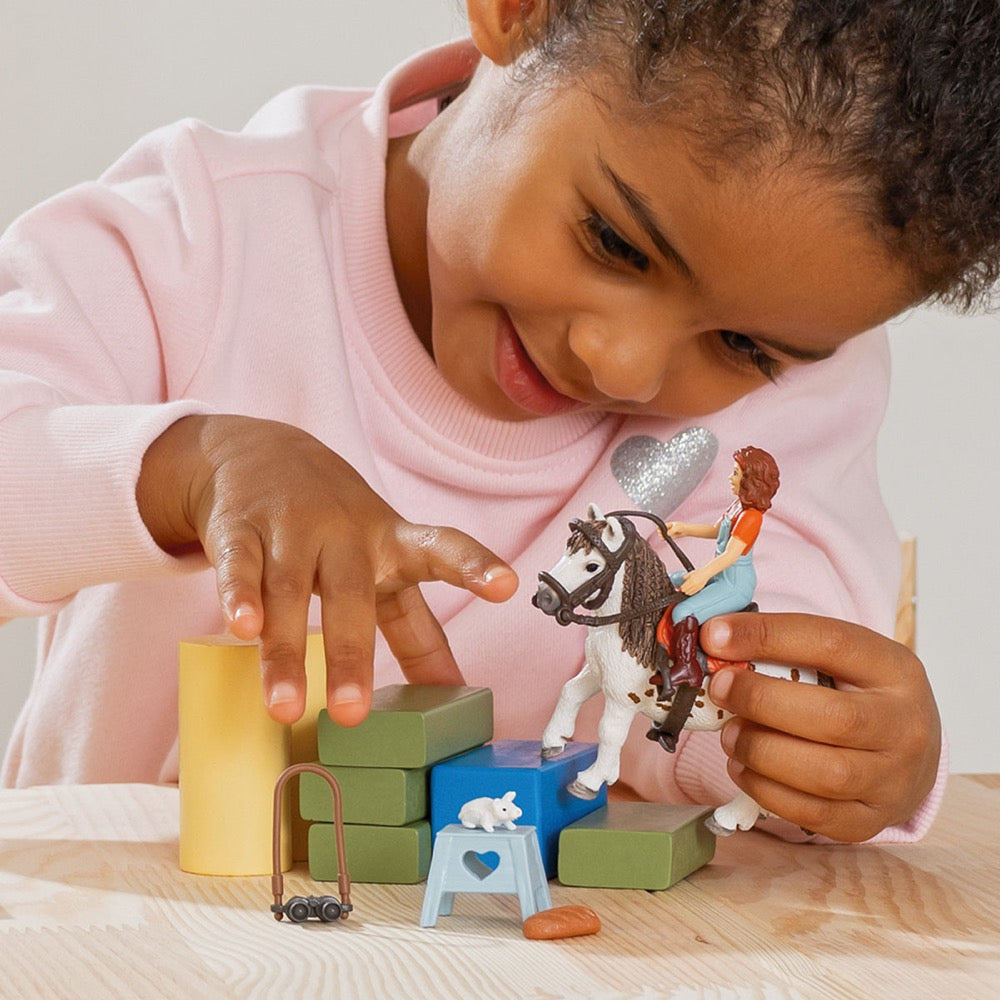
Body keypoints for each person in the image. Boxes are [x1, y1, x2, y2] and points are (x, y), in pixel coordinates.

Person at [3, 0, 996, 844]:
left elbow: (763, 676)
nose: (623, 363)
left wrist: (837, 755)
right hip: (132, 940)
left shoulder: (786, 397)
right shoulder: (201, 236)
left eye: (741, 346)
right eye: (614, 242)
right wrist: (187, 468)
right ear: (520, 13)